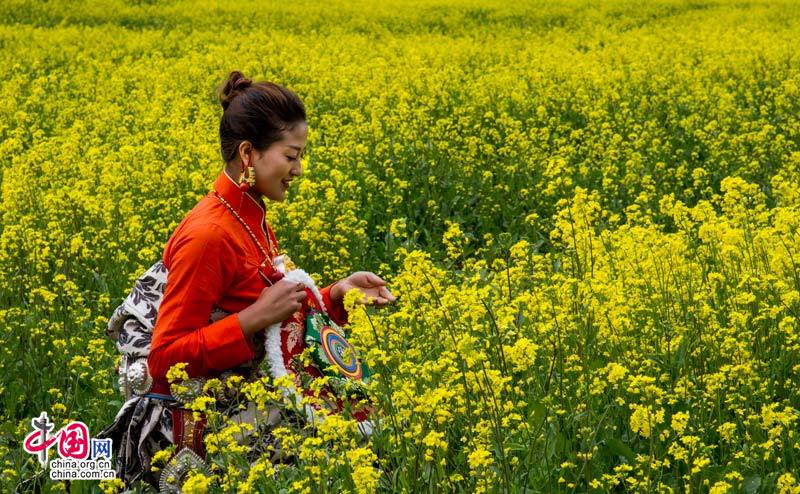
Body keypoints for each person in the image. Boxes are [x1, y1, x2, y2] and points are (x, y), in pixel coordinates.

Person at [97, 70, 396, 490]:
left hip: (246, 395)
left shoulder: (249, 214)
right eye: (291, 157)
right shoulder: (210, 234)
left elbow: (266, 312)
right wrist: (253, 318)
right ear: (248, 153)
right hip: (203, 424)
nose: (299, 170)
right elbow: (165, 358)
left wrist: (336, 295)